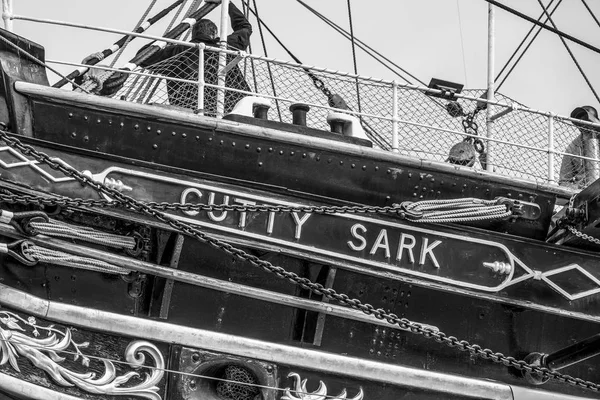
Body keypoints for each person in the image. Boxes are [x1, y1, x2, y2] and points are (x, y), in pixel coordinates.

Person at [137, 1, 252, 115]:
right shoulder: (226, 46)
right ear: (214, 33)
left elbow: (142, 56)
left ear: (193, 35)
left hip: (186, 111)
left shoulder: (177, 51)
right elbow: (245, 27)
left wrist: (167, 41)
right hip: (231, 112)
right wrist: (227, 3)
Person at [559, 106, 600, 189]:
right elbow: (564, 181)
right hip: (584, 191)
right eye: (579, 121)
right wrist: (577, 187)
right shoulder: (572, 148)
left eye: (587, 120)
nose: (583, 124)